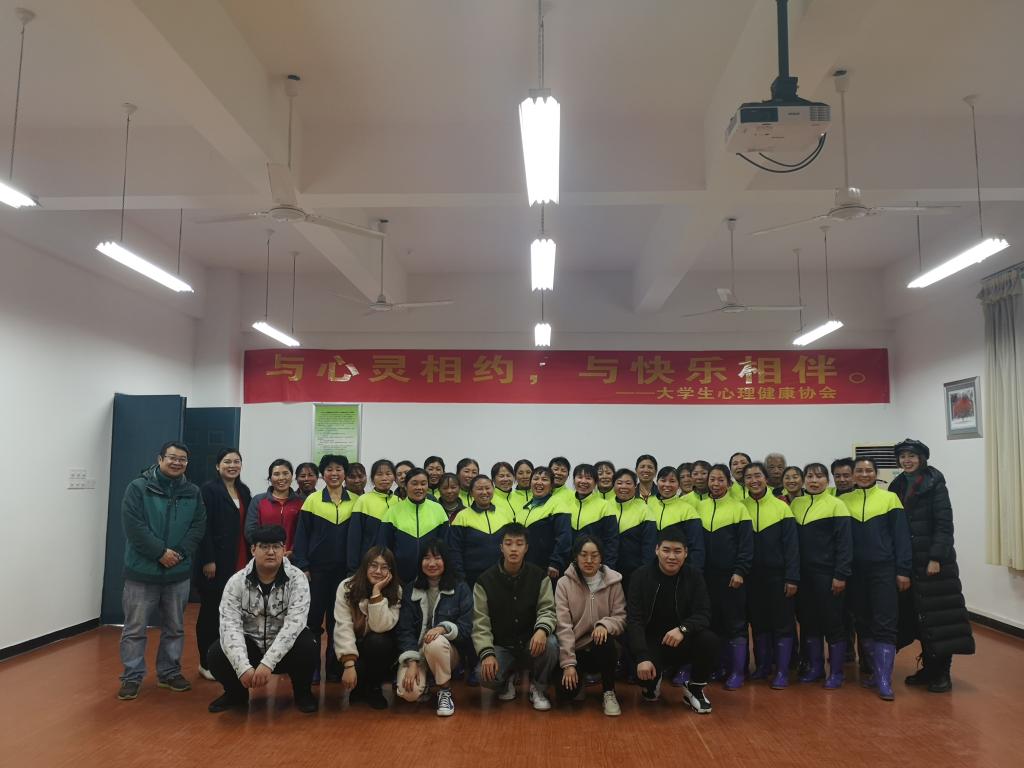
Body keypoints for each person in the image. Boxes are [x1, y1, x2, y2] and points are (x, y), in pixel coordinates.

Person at [117, 441, 206, 701]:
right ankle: (132, 677)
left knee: (175, 627)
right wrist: (160, 553)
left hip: (178, 572)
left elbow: (198, 525)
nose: (177, 463)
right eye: (172, 458)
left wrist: (178, 553)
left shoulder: (193, 492)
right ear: (160, 459)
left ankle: (169, 672)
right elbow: (133, 526)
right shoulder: (138, 488)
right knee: (134, 629)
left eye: (183, 459)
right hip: (141, 572)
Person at [889, 439, 974, 693]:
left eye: (912, 456)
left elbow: (944, 523)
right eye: (903, 456)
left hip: (934, 563)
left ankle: (942, 673)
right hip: (909, 561)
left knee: (940, 618)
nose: (907, 460)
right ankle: (928, 669)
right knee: (919, 617)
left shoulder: (934, 482)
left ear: (922, 458)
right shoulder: (896, 485)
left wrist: (935, 557)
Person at [206, 525, 317, 714]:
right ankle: (235, 694)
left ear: (284, 549)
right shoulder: (236, 582)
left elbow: (294, 625)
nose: (271, 552)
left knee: (308, 644)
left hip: (284, 651)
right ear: (253, 550)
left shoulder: (297, 579)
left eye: (276, 546)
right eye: (264, 546)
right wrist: (242, 667)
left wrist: (267, 664)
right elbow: (229, 626)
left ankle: (303, 693)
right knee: (216, 653)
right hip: (251, 648)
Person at [842, 457, 913, 701]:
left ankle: (884, 680)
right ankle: (875, 672)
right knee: (862, 622)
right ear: (853, 474)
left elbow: (901, 537)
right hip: (855, 573)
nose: (864, 475)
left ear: (876, 473)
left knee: (885, 622)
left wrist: (903, 570)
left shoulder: (889, 499)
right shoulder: (843, 501)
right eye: (859, 471)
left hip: (883, 570)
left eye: (869, 470)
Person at [626, 531, 717, 714]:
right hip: (651, 641)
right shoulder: (640, 576)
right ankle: (652, 682)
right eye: (666, 550)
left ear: (686, 553)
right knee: (647, 687)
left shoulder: (694, 576)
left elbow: (704, 614)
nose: (672, 557)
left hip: (682, 639)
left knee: (709, 640)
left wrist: (683, 629)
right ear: (657, 550)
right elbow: (634, 620)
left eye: (677, 551)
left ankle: (695, 688)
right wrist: (642, 656)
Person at [473, 523, 559, 711]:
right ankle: (507, 680)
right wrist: (487, 653)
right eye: (508, 543)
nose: (513, 549)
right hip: (502, 646)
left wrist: (542, 630)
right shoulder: (484, 581)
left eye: (519, 544)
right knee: (482, 674)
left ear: (526, 548)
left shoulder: (539, 576)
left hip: (531, 644)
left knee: (551, 643)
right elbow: (481, 624)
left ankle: (538, 688)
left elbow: (548, 610)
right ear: (501, 547)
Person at [291, 454, 355, 684]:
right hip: (317, 572)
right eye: (329, 469)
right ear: (323, 474)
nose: (334, 473)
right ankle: (313, 667)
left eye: (339, 469)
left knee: (339, 621)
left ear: (345, 473)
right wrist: (303, 566)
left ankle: (334, 667)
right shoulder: (312, 501)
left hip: (344, 573)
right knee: (313, 621)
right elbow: (301, 536)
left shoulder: (356, 501)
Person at [790, 463, 853, 689]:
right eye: (810, 476)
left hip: (828, 575)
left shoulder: (837, 505)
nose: (814, 481)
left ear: (827, 481)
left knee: (833, 622)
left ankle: (836, 673)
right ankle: (816, 668)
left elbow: (845, 544)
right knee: (809, 623)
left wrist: (841, 574)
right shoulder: (796, 504)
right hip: (803, 577)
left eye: (819, 477)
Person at [395, 540, 473, 716]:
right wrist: (412, 662)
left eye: (437, 558)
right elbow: (405, 630)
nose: (431, 563)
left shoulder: (460, 588)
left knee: (434, 642)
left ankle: (444, 690)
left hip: (447, 653)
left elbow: (466, 627)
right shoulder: (411, 589)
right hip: (418, 653)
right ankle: (426, 681)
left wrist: (444, 629)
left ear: (445, 560)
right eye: (426, 558)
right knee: (409, 693)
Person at [196, 449, 253, 681]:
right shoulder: (208, 490)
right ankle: (206, 662)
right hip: (216, 563)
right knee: (211, 614)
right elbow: (203, 526)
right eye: (227, 462)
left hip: (241, 560)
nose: (232, 465)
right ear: (217, 466)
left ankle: (229, 659)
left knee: (234, 615)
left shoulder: (244, 491)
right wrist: (208, 559)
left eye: (236, 461)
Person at [741, 463, 799, 688]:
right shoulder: (741, 507)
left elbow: (791, 547)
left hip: (778, 576)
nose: (753, 480)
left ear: (766, 478)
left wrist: (792, 577)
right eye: (748, 477)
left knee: (783, 623)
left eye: (758, 475)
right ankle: (763, 666)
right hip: (752, 577)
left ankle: (782, 671)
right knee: (758, 623)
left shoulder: (781, 507)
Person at [554, 536, 626, 716]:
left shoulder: (613, 581)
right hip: (576, 649)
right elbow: (563, 626)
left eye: (594, 555)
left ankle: (608, 691)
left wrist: (604, 625)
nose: (589, 560)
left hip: (601, 647)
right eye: (583, 555)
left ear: (601, 558)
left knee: (605, 639)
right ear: (576, 557)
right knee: (566, 693)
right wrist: (568, 664)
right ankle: (580, 679)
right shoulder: (563, 584)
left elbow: (621, 617)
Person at [697, 464, 753, 690]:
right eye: (712, 479)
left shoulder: (739, 508)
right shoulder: (700, 507)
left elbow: (746, 546)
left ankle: (737, 671)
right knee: (713, 623)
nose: (716, 484)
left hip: (732, 577)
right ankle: (718, 666)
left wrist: (740, 571)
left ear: (729, 484)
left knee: (735, 623)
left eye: (721, 480)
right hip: (706, 577)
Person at [333, 547, 403, 709]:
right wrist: (349, 664)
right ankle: (358, 688)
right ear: (365, 566)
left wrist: (376, 593)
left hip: (380, 652)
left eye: (384, 567)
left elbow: (380, 627)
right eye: (373, 565)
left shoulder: (396, 590)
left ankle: (374, 688)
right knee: (351, 663)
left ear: (391, 571)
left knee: (378, 642)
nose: (378, 571)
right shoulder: (346, 587)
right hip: (350, 649)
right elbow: (343, 626)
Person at [376, 468, 449, 585]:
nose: (419, 487)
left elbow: (445, 545)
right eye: (414, 483)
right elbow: (384, 547)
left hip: (431, 577)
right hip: (400, 577)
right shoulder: (393, 511)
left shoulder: (438, 509)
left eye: (423, 484)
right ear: (405, 486)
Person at [448, 475, 516, 587]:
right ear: (471, 493)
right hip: (472, 579)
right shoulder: (461, 517)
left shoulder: (505, 514)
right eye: (479, 489)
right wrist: (460, 579)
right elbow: (455, 551)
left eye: (488, 488)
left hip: (503, 576)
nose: (484, 492)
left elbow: (513, 545)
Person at [519, 466, 572, 580]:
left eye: (544, 479)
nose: (539, 482)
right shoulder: (524, 508)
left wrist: (555, 562)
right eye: (536, 478)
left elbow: (564, 537)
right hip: (524, 567)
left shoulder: (558, 504)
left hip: (548, 568)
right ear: (530, 483)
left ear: (552, 485)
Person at [607, 469, 656, 591]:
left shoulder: (644, 510)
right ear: (613, 485)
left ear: (635, 486)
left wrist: (645, 573)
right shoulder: (605, 506)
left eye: (628, 483)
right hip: (607, 570)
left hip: (635, 573)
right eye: (619, 483)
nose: (623, 486)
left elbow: (649, 546)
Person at [347, 459, 398, 574]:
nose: (384, 478)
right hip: (368, 564)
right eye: (379, 474)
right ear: (372, 478)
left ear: (394, 477)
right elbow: (354, 538)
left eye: (388, 474)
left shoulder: (398, 501)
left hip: (391, 565)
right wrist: (353, 569)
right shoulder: (363, 500)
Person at [650, 466, 704, 571]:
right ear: (657, 482)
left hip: (680, 569)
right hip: (652, 569)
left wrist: (694, 573)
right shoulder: (648, 505)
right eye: (663, 480)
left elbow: (696, 547)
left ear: (679, 484)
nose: (667, 485)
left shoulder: (688, 510)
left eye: (672, 481)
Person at [245, 459, 303, 556]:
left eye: (285, 473)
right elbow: (250, 531)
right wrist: (266, 549)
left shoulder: (301, 502)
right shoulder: (258, 500)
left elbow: (304, 532)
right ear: (270, 478)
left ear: (292, 476)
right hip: (264, 556)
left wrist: (293, 551)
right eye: (276, 474)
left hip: (292, 556)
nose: (281, 478)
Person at [567, 464, 619, 567]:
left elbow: (611, 541)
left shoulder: (605, 506)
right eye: (580, 477)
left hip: (594, 565)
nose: (583, 481)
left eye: (588, 478)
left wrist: (607, 568)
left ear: (595, 482)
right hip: (568, 566)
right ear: (574, 480)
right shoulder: (566, 504)